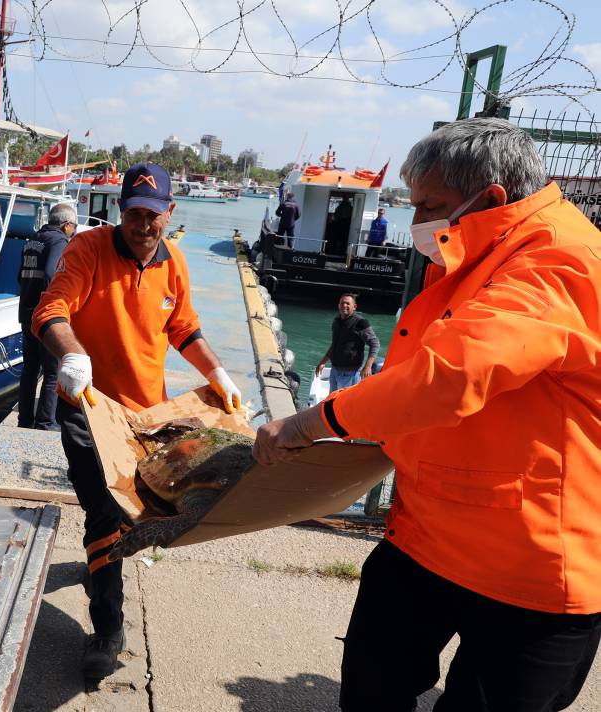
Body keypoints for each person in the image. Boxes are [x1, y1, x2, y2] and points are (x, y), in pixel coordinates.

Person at [253, 117, 601, 712]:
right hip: (428, 534)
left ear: (490, 200)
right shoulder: (484, 251)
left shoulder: (556, 259)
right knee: (369, 688)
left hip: (532, 564)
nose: (415, 224)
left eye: (429, 206)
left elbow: (452, 375)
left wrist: (312, 422)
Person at [32, 162, 243, 681]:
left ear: (170, 213)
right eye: (133, 213)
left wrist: (215, 372)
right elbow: (50, 311)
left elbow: (183, 326)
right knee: (105, 514)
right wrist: (73, 358)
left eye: (153, 214)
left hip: (147, 417)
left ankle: (101, 567)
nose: (142, 224)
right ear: (119, 211)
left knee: (134, 514)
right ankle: (108, 627)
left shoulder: (174, 261)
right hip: (89, 407)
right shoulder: (87, 249)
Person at [17, 202, 77, 430]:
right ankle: (44, 422)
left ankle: (24, 420)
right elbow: (53, 273)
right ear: (67, 225)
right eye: (74, 227)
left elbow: (19, 276)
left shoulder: (33, 240)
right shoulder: (59, 240)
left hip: (25, 312)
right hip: (44, 316)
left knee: (30, 369)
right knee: (52, 371)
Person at [313, 293, 379, 391]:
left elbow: (375, 343)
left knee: (346, 404)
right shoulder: (336, 321)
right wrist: (323, 362)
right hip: (334, 370)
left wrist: (368, 366)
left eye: (348, 303)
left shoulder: (360, 323)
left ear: (354, 307)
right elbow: (335, 344)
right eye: (342, 303)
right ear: (338, 305)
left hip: (350, 373)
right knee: (332, 400)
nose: (344, 306)